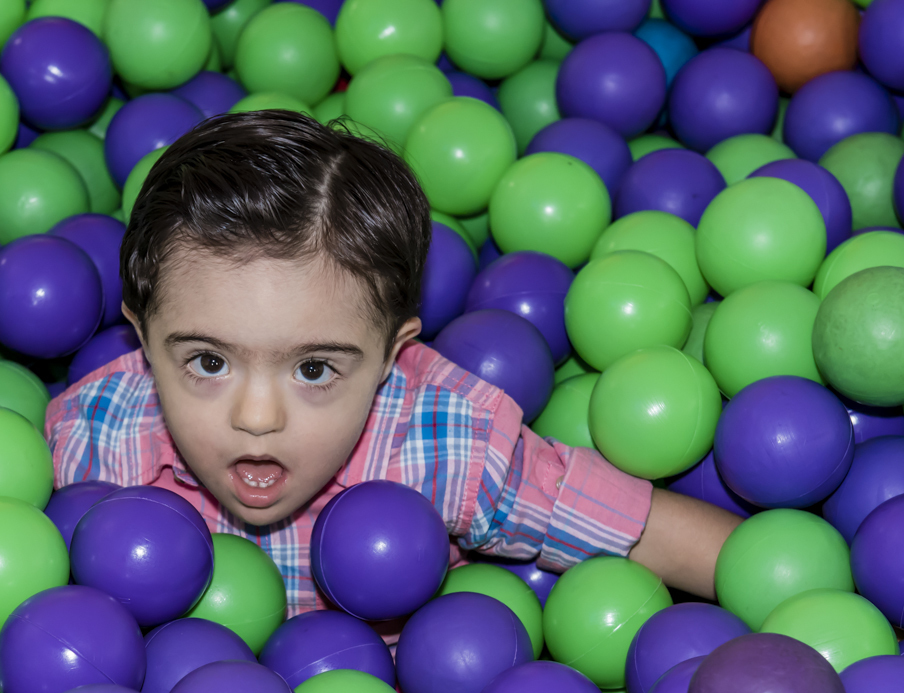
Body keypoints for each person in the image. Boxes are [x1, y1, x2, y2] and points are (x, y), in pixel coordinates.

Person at [46, 109, 741, 619]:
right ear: (141, 339)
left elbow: (673, 540)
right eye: (207, 360)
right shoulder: (98, 441)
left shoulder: (447, 444)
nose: (256, 417)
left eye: (314, 369)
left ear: (391, 356)